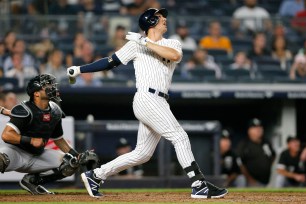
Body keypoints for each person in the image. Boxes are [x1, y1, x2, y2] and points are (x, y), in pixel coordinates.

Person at [67, 7, 228, 199]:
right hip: (146, 98)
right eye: (160, 17)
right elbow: (110, 62)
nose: (164, 19)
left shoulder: (172, 43)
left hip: (160, 100)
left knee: (142, 154)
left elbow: (174, 56)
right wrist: (79, 69)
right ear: (151, 22)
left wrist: (144, 41)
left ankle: (95, 175)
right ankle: (198, 184)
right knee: (180, 137)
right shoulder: (135, 45)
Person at [0, 74, 98, 195]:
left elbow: (59, 139)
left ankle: (32, 181)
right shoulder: (24, 109)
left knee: (71, 163)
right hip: (15, 152)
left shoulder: (55, 110)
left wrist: (76, 155)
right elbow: (6, 135)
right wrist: (30, 140)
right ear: (36, 93)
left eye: (51, 84)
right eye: (46, 86)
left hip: (37, 155)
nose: (51, 87)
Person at [236, 118, 275, 187]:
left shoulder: (266, 143)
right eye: (255, 127)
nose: (258, 129)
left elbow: (273, 158)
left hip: (269, 182)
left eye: (260, 127)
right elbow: (240, 164)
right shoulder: (244, 144)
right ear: (249, 131)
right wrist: (250, 180)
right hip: (251, 183)